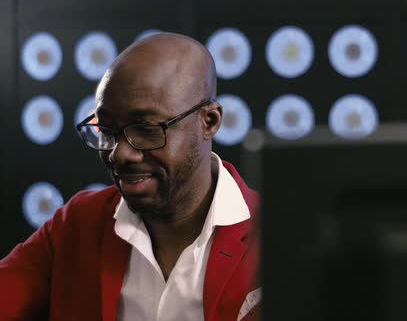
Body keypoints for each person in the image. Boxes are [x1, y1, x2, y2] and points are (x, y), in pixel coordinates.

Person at [0, 33, 261, 321]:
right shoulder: (76, 225)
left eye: (146, 129)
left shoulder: (277, 236)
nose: (119, 154)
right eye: (108, 130)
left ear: (208, 122)